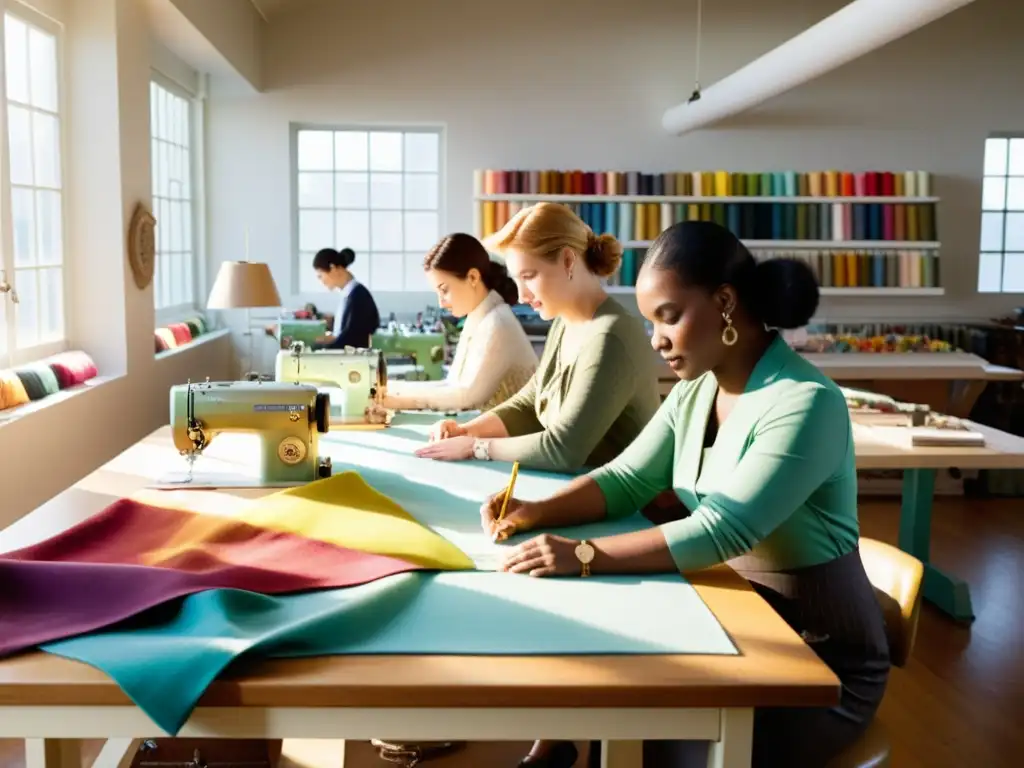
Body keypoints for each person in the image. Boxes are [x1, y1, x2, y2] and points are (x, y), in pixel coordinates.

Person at [479, 221, 891, 768]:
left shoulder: (806, 402)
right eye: (651, 322)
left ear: (724, 302)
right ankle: (557, 744)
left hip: (813, 655)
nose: (656, 339)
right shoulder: (697, 390)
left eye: (669, 317)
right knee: (605, 689)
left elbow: (724, 528)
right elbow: (627, 479)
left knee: (656, 742)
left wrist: (583, 553)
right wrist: (536, 511)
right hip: (732, 609)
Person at [413, 203, 661, 474]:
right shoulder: (564, 323)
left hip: (631, 508)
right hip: (583, 488)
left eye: (529, 277)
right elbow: (529, 403)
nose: (521, 296)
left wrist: (476, 446)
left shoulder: (609, 336)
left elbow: (563, 449)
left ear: (568, 261)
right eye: (516, 280)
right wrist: (464, 430)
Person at [381, 233, 538, 413]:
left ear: (472, 277)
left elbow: (467, 397)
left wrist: (396, 400)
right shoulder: (479, 318)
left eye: (444, 290)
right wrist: (391, 388)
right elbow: (452, 385)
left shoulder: (498, 322)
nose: (441, 302)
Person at [312, 247, 381, 350]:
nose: (321, 281)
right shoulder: (349, 295)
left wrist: (323, 349)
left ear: (333, 268)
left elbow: (351, 339)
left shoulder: (359, 297)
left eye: (320, 276)